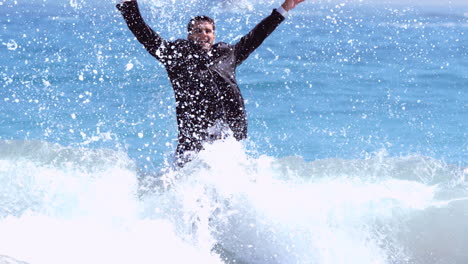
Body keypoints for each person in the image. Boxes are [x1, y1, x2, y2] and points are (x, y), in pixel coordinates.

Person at [116, 0, 304, 165]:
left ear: (214, 35)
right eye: (198, 31)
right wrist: (128, 5)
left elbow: (257, 35)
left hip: (226, 133)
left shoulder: (228, 54)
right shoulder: (175, 56)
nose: (204, 35)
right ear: (190, 35)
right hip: (192, 136)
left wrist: (285, 8)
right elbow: (145, 35)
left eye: (208, 31)